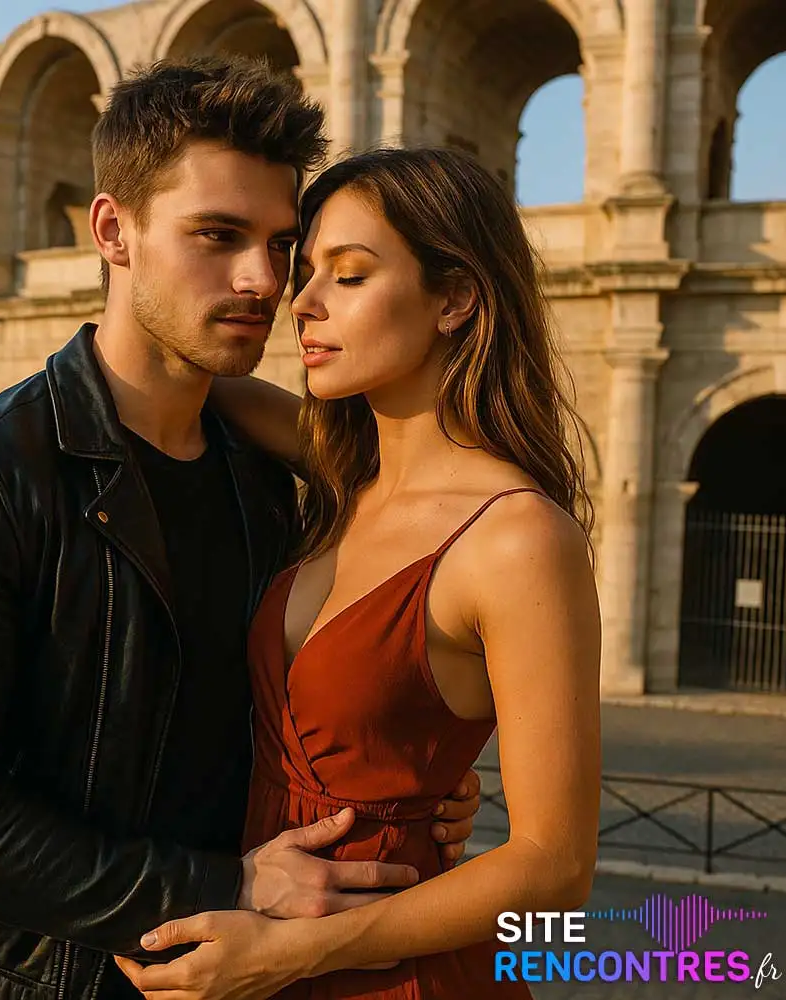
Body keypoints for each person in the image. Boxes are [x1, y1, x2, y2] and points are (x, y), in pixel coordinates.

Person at [0, 58, 479, 1000]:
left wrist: (399, 781)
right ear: (114, 232)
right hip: (55, 978)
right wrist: (226, 884)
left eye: (281, 245)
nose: (260, 279)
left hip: (260, 968)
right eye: (217, 235)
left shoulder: (273, 478)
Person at [114, 147, 602, 999]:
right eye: (306, 271)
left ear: (455, 299)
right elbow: (174, 359)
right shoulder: (339, 472)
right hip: (257, 932)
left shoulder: (517, 538)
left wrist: (293, 954)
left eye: (349, 275)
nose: (299, 301)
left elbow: (555, 870)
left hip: (385, 972)